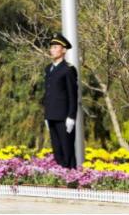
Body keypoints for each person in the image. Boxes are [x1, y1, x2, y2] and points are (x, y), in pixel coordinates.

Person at [44, 34, 80, 168]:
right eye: (51, 47)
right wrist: (46, 115)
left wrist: (71, 116)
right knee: (57, 151)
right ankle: (61, 175)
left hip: (63, 117)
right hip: (51, 115)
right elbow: (49, 93)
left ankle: (71, 176)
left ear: (64, 50)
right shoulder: (48, 69)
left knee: (67, 150)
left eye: (55, 47)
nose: (52, 50)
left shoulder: (68, 69)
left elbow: (72, 95)